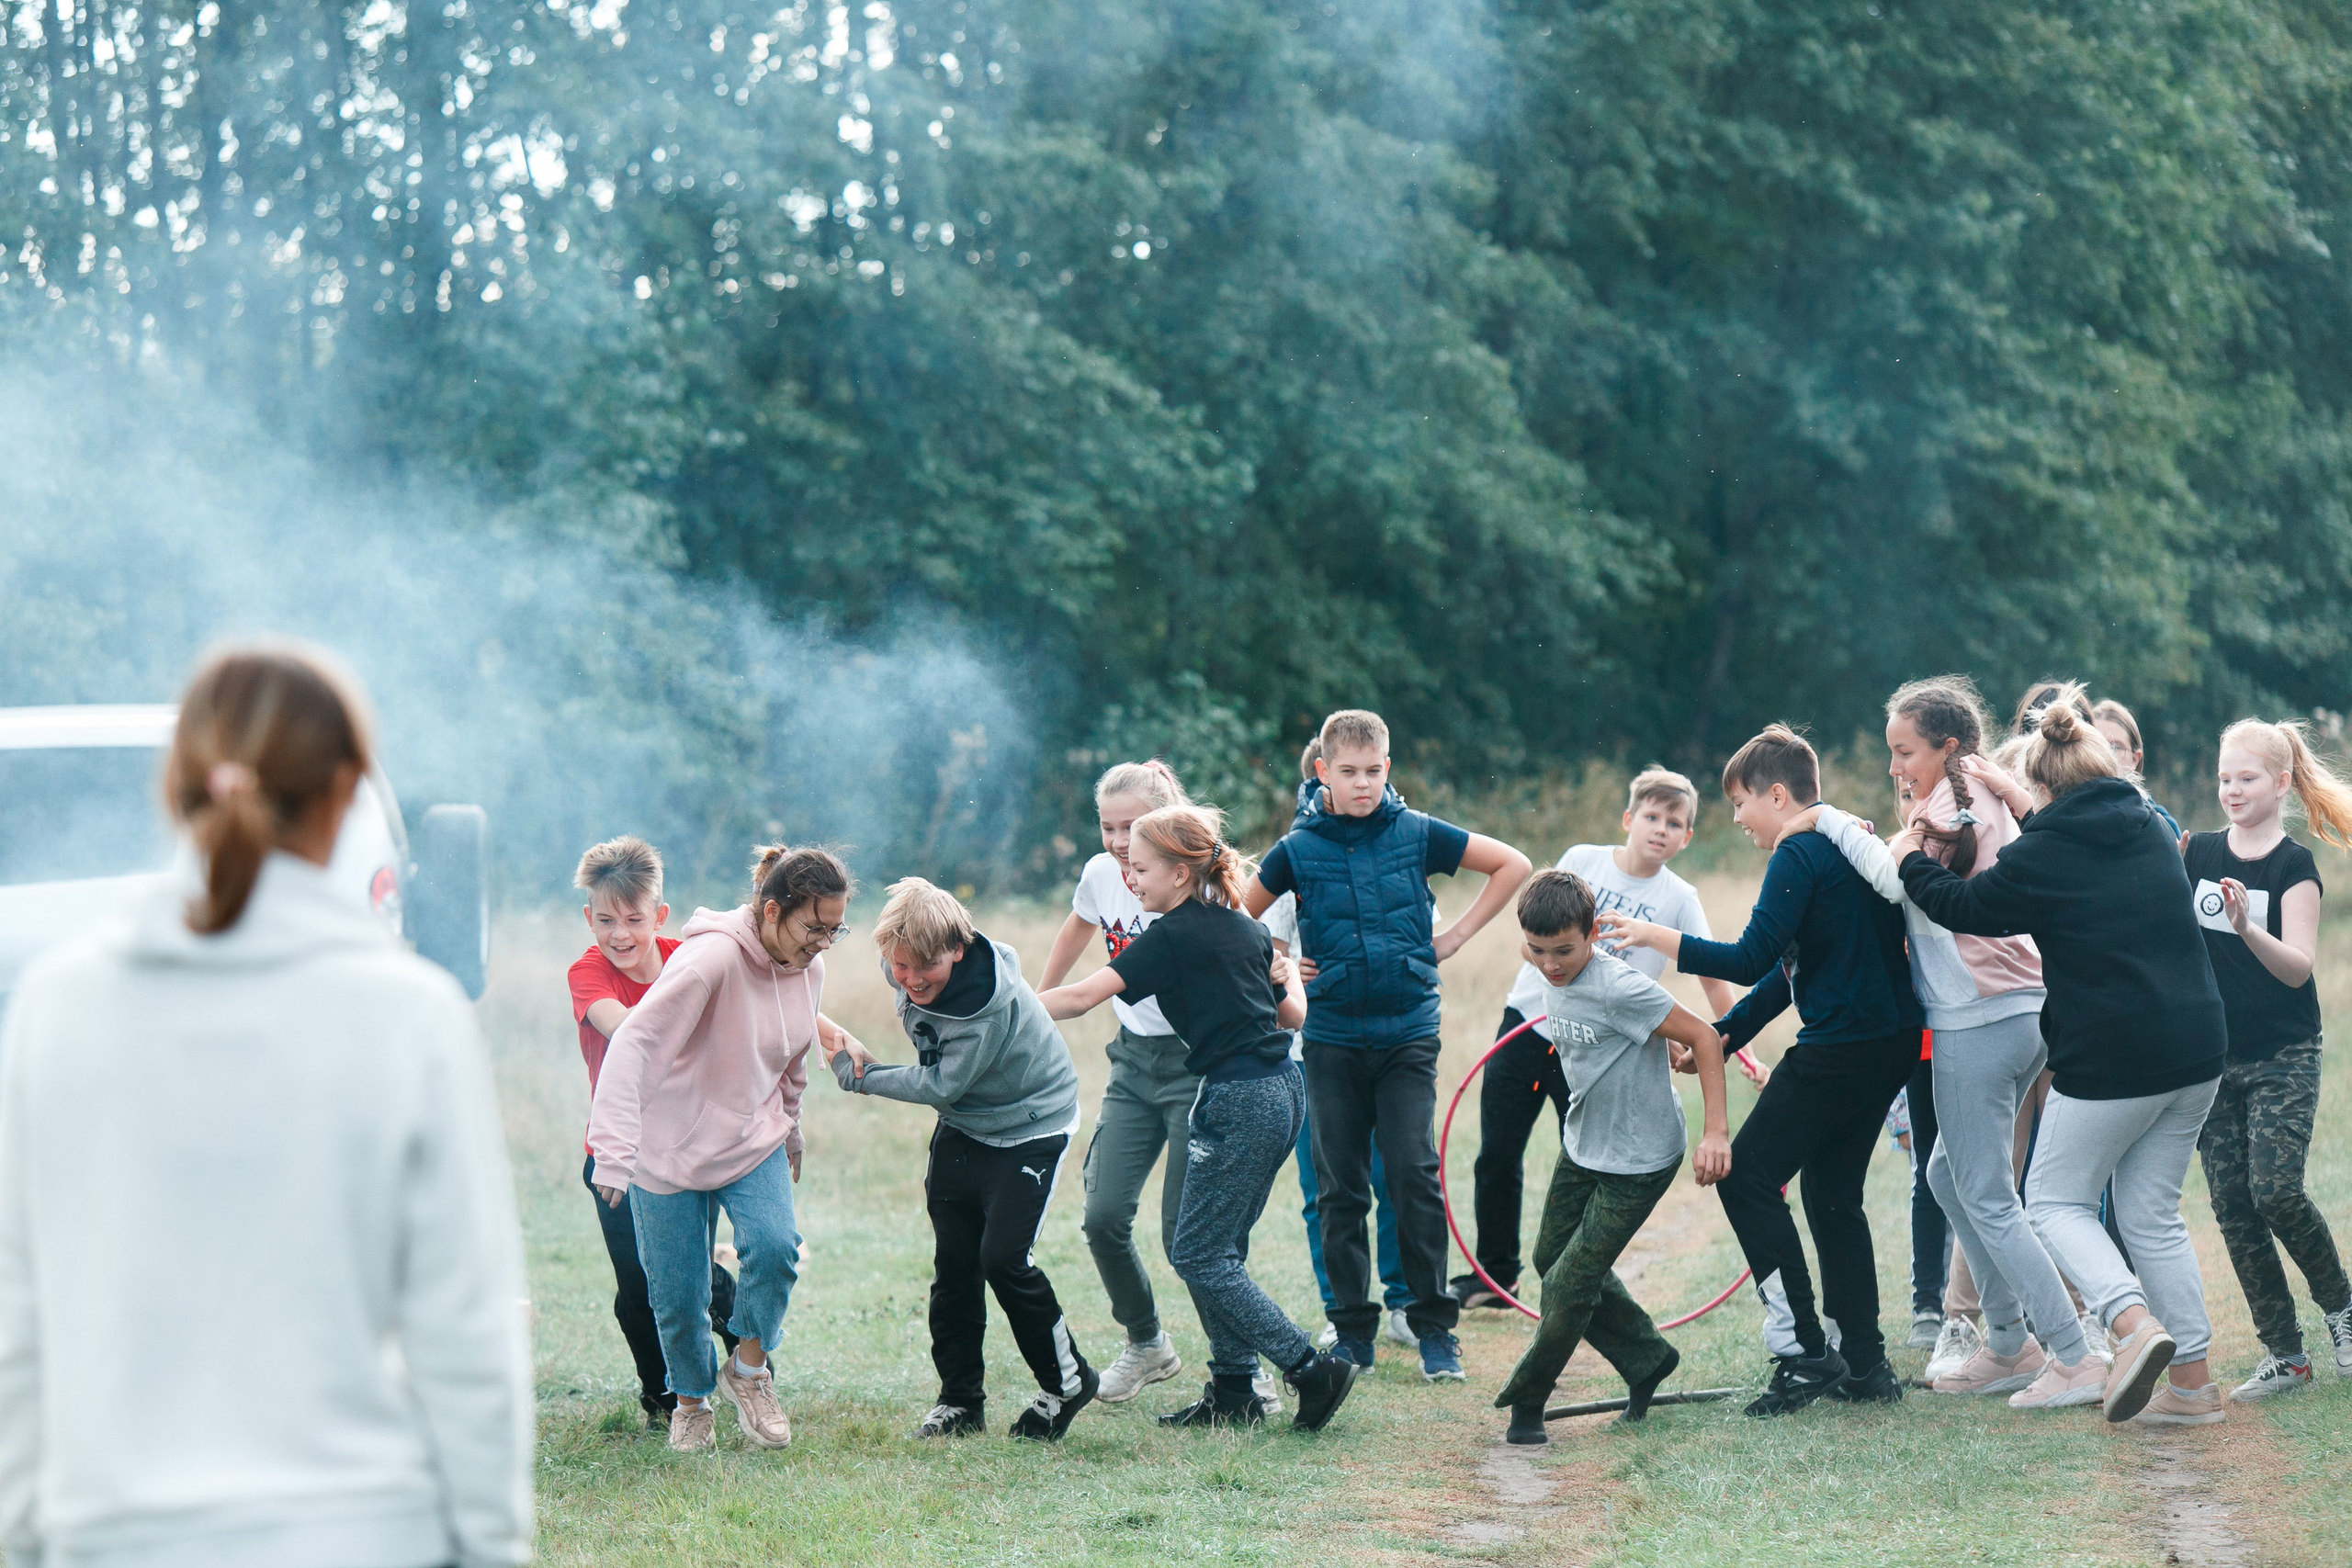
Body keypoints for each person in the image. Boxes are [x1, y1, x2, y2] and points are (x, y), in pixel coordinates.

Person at [0, 645, 531, 1568]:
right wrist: (491, 1544)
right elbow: (466, 1326)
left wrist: (23, 1530)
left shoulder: (55, 1006)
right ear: (343, 794)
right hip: (362, 1532)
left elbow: (19, 1315)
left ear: (175, 790)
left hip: (112, 1534)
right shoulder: (410, 1016)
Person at [1900, 687, 2228, 1424]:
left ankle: (2126, 1326)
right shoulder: (2144, 821)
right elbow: (2060, 829)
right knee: (2151, 1213)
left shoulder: (2045, 852)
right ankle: (2193, 1387)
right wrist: (2021, 795)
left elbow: (1965, 907)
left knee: (2052, 1199)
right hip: (2199, 1045)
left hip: (2117, 1052)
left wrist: (1907, 858)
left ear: (2041, 786)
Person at [1782, 677, 2097, 1405]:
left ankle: (2076, 1354)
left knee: (1985, 1191)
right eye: (1892, 751)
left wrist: (1826, 819)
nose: (1896, 765)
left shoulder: (1954, 803)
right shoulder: (1970, 792)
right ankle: (2010, 1343)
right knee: (1951, 1175)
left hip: (1980, 1016)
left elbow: (1898, 882)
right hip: (2017, 1012)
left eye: (1906, 751)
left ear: (1947, 745)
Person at [1602, 724, 1921, 1416]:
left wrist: (1661, 937)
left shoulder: (1798, 852)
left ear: (1777, 795)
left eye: (1741, 802)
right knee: (1832, 1194)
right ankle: (1864, 1363)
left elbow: (1748, 957)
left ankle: (1805, 1351)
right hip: (1889, 1040)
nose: (1738, 817)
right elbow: (1787, 973)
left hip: (1843, 1046)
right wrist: (1719, 1033)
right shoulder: (1844, 845)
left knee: (1745, 1172)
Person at [1041, 805, 1363, 1431]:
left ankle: (1308, 1367)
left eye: (1140, 869)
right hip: (1282, 1089)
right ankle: (1236, 1388)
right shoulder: (1240, 925)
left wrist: (1003, 1005)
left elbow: (1081, 996)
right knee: (1220, 1247)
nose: (1130, 881)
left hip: (1240, 1098)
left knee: (1198, 1253)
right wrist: (1289, 979)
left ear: (1182, 874)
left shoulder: (1171, 936)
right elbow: (1292, 1015)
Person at [1243, 708, 1533, 1380]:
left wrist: (1453, 938)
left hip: (1407, 1031)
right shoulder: (1296, 849)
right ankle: (1352, 1335)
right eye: (1349, 772)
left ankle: (1434, 1330)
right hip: (1332, 1037)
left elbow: (1511, 863)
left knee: (1412, 1173)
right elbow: (1238, 917)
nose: (1363, 783)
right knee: (1342, 1187)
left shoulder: (1417, 832)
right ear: (1323, 773)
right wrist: (1277, 965)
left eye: (1374, 770)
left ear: (1388, 768)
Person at [588, 843, 864, 1452]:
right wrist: (612, 1149)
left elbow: (792, 1056)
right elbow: (633, 1044)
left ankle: (749, 1368)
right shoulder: (708, 959)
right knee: (679, 1294)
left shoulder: (808, 969)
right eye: (813, 926)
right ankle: (691, 1402)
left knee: (774, 1247)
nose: (823, 941)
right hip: (668, 1146)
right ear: (772, 911)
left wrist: (790, 1125)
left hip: (751, 1137)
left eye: (833, 930)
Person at [1458, 767, 1743, 1310]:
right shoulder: (1581, 861)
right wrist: (1566, 966)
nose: (1660, 829)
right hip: (1528, 1022)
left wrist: (1740, 1044)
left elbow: (1710, 974)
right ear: (1628, 819)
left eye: (1674, 822)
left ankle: (1585, 1272)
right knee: (1497, 1152)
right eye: (1651, 817)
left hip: (1601, 1048)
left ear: (1688, 838)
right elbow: (1533, 943)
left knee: (1592, 1161)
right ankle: (1495, 1277)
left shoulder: (1680, 897)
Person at [830, 878, 1098, 1438]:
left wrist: (864, 1078)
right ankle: (960, 1402)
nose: (908, 979)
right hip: (966, 1125)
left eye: (921, 967)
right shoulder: (906, 961)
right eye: (897, 966)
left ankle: (1065, 1384)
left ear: (958, 946)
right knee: (954, 1264)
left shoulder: (984, 1010)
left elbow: (938, 1085)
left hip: (1030, 1127)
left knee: (1003, 1258)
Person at [1040, 761, 1259, 1404]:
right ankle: (1146, 1341)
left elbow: (1256, 953)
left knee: (1187, 1234)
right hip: (1133, 1064)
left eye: (1129, 826)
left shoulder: (1203, 888)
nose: (1115, 841)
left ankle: (1243, 1366)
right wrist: (1034, 1002)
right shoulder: (1103, 875)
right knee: (1103, 1214)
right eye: (1107, 827)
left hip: (1200, 1066)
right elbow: (1078, 932)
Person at [1494, 872, 1733, 1446]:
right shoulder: (1550, 964)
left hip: (1641, 1156)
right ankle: (1648, 1358)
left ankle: (1528, 1401)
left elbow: (1703, 1035)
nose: (1550, 965)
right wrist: (1658, 1039)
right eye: (1538, 950)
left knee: (1572, 1281)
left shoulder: (1617, 985)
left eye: (1564, 952)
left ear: (1594, 935)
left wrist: (1716, 1132)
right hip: (1585, 1143)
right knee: (1551, 1260)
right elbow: (1632, 1034)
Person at [2183, 719, 2352, 1398]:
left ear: (2281, 783)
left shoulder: (2294, 867)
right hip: (2213, 1058)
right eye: (2224, 778)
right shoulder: (2193, 852)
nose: (2231, 790)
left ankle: (2342, 1307)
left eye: (2246, 778)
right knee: (2230, 1202)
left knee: (2275, 1189)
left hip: (2283, 1053)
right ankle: (2286, 1355)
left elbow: (2297, 969)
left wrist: (2248, 924)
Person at [568, 834, 742, 1429]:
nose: (620, 933)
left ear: (659, 916)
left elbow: (756, 998)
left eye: (634, 919)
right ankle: (660, 1393)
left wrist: (818, 1024)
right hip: (615, 1153)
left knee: (686, 1274)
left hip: (686, 1150)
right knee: (638, 1283)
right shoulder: (588, 972)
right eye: (607, 919)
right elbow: (626, 1028)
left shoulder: (684, 959)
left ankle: (744, 1355)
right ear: (589, 917)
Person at [1267, 737, 1415, 1348]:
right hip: (1312, 1057)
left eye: (1369, 774)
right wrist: (1283, 970)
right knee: (1325, 1191)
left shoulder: (1395, 852)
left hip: (1384, 1044)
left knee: (1396, 1177)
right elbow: (1265, 954)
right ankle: (1343, 1307)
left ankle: (1404, 1301)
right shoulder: (1291, 861)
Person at [2092, 698, 2182, 838]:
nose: (2106, 754)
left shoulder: (2161, 824)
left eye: (2116, 747)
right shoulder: (2065, 812)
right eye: (2097, 744)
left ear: (2135, 759)